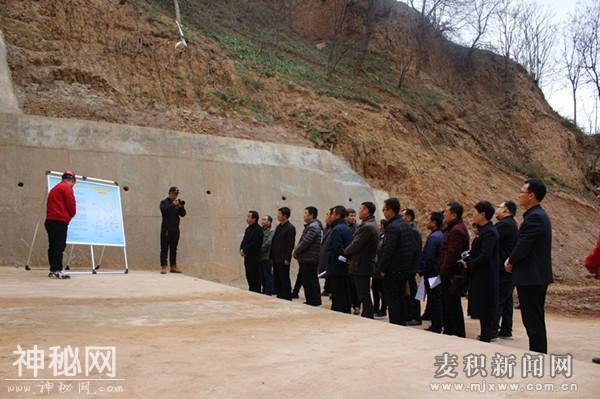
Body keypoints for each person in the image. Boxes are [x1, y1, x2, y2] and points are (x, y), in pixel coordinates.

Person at [505, 179, 553, 354]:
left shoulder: (535, 217)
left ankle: (538, 355)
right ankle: (538, 353)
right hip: (535, 275)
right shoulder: (537, 215)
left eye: (522, 191)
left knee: (533, 320)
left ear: (531, 195)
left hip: (532, 276)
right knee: (535, 319)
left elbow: (524, 245)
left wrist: (511, 261)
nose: (519, 194)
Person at [375, 198, 419, 325]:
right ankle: (401, 323)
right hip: (403, 270)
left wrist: (382, 269)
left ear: (390, 210)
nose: (383, 212)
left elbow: (389, 250)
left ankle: (396, 324)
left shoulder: (393, 227)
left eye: (384, 209)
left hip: (393, 271)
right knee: (401, 299)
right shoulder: (405, 225)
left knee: (393, 300)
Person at [464, 201, 499, 343]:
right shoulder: (484, 231)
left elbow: (486, 255)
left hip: (486, 276)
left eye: (475, 213)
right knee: (482, 306)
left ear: (483, 214)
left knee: (486, 307)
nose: (473, 216)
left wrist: (470, 263)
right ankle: (485, 334)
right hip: (480, 274)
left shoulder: (490, 232)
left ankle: (486, 336)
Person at [439, 201, 470, 337]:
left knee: (452, 304)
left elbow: (451, 254)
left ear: (454, 214)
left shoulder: (456, 231)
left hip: (451, 275)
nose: (444, 215)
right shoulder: (455, 228)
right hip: (451, 273)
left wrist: (443, 271)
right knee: (450, 304)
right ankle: (451, 330)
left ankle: (455, 332)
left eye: (446, 212)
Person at [344, 202, 379, 318]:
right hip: (363, 263)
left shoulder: (367, 226)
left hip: (362, 263)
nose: (359, 212)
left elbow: (356, 243)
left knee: (363, 293)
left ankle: (368, 314)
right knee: (363, 292)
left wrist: (345, 251)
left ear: (366, 211)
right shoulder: (370, 224)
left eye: (360, 209)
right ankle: (367, 313)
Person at [45, 170, 77, 279]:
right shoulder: (67, 188)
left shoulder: (55, 188)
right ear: (72, 180)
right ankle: (57, 270)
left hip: (50, 221)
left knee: (53, 246)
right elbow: (71, 205)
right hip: (59, 221)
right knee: (59, 246)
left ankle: (53, 270)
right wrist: (71, 215)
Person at [495, 201, 519, 338]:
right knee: (506, 300)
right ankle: (506, 329)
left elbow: (491, 239)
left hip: (503, 269)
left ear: (506, 211)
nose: (497, 210)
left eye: (499, 207)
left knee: (498, 299)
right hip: (507, 269)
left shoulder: (504, 225)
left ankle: (492, 329)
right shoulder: (511, 224)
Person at [292, 206, 323, 306]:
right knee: (308, 281)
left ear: (311, 215)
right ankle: (312, 300)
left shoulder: (313, 227)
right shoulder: (312, 226)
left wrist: (296, 251)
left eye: (306, 213)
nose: (304, 215)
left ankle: (313, 301)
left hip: (309, 258)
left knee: (310, 281)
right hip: (307, 258)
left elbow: (306, 242)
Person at [326, 206, 354, 313]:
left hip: (337, 269)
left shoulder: (337, 229)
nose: (331, 216)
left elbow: (337, 251)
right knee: (343, 295)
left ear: (337, 215)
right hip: (343, 268)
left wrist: (339, 263)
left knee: (339, 298)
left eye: (332, 214)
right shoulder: (345, 227)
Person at [420, 211, 444, 333]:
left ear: (434, 222)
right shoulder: (440, 235)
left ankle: (436, 326)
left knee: (435, 300)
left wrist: (424, 271)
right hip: (436, 273)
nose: (427, 223)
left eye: (429, 220)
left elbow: (429, 258)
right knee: (436, 300)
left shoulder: (434, 237)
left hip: (433, 275)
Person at [402, 208, 423, 326]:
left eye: (403, 216)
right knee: (408, 293)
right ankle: (409, 315)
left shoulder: (413, 232)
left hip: (410, 268)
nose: (402, 218)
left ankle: (415, 316)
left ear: (409, 217)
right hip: (408, 267)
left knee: (412, 293)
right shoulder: (408, 230)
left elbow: (414, 252)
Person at [270, 207, 296, 300]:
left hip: (283, 258)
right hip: (276, 257)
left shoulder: (290, 228)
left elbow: (290, 244)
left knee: (284, 278)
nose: (278, 215)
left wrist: (287, 258)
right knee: (277, 278)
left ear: (285, 215)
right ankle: (280, 295)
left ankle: (287, 296)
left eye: (279, 214)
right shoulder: (278, 227)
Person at [160, 186, 186, 274]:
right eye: (174, 193)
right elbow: (164, 211)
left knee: (174, 248)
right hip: (166, 229)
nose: (175, 196)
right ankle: (164, 266)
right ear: (169, 193)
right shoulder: (164, 202)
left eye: (177, 194)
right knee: (164, 248)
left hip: (175, 230)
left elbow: (183, 214)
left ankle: (173, 266)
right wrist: (172, 205)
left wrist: (181, 206)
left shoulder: (177, 204)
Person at [240, 211, 264, 293]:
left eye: (249, 217)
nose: (247, 218)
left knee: (255, 277)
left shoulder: (258, 230)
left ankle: (256, 292)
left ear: (254, 219)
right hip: (247, 256)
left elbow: (255, 244)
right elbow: (244, 241)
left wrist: (245, 250)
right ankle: (251, 290)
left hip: (254, 257)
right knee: (249, 275)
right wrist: (241, 249)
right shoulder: (248, 229)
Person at [345, 208, 361, 314]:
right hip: (345, 259)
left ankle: (357, 305)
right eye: (351, 215)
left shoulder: (358, 228)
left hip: (353, 259)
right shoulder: (344, 227)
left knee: (354, 284)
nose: (353, 218)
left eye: (354, 215)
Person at [372, 219, 388, 318]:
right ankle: (376, 307)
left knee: (383, 290)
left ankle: (383, 308)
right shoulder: (379, 236)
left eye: (380, 224)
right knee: (374, 288)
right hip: (375, 267)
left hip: (381, 267)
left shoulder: (386, 237)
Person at [319, 209, 334, 297]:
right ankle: (327, 289)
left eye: (328, 215)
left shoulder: (334, 229)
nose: (326, 217)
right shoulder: (326, 228)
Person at [260, 215, 274, 296]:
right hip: (260, 257)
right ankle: (264, 289)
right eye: (262, 219)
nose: (263, 221)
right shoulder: (260, 231)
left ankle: (268, 291)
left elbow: (268, 243)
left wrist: (259, 249)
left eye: (265, 219)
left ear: (269, 222)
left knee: (267, 274)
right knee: (261, 275)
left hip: (267, 256)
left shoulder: (271, 232)